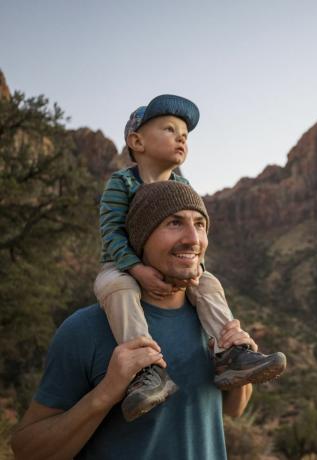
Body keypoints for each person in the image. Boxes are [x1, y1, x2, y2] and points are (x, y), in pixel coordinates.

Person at [12, 182, 273, 459]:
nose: (192, 239)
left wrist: (240, 368)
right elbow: (27, 450)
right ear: (141, 237)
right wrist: (106, 393)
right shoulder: (85, 330)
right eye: (174, 223)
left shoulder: (212, 322)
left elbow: (234, 410)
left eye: (199, 224)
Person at [93, 94, 286, 421]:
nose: (181, 136)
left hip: (176, 268)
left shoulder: (183, 185)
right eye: (169, 129)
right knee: (116, 288)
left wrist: (196, 271)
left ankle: (229, 353)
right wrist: (137, 268)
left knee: (208, 283)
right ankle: (147, 371)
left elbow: (191, 243)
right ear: (136, 140)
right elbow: (110, 230)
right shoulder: (122, 182)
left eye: (184, 132)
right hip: (124, 266)